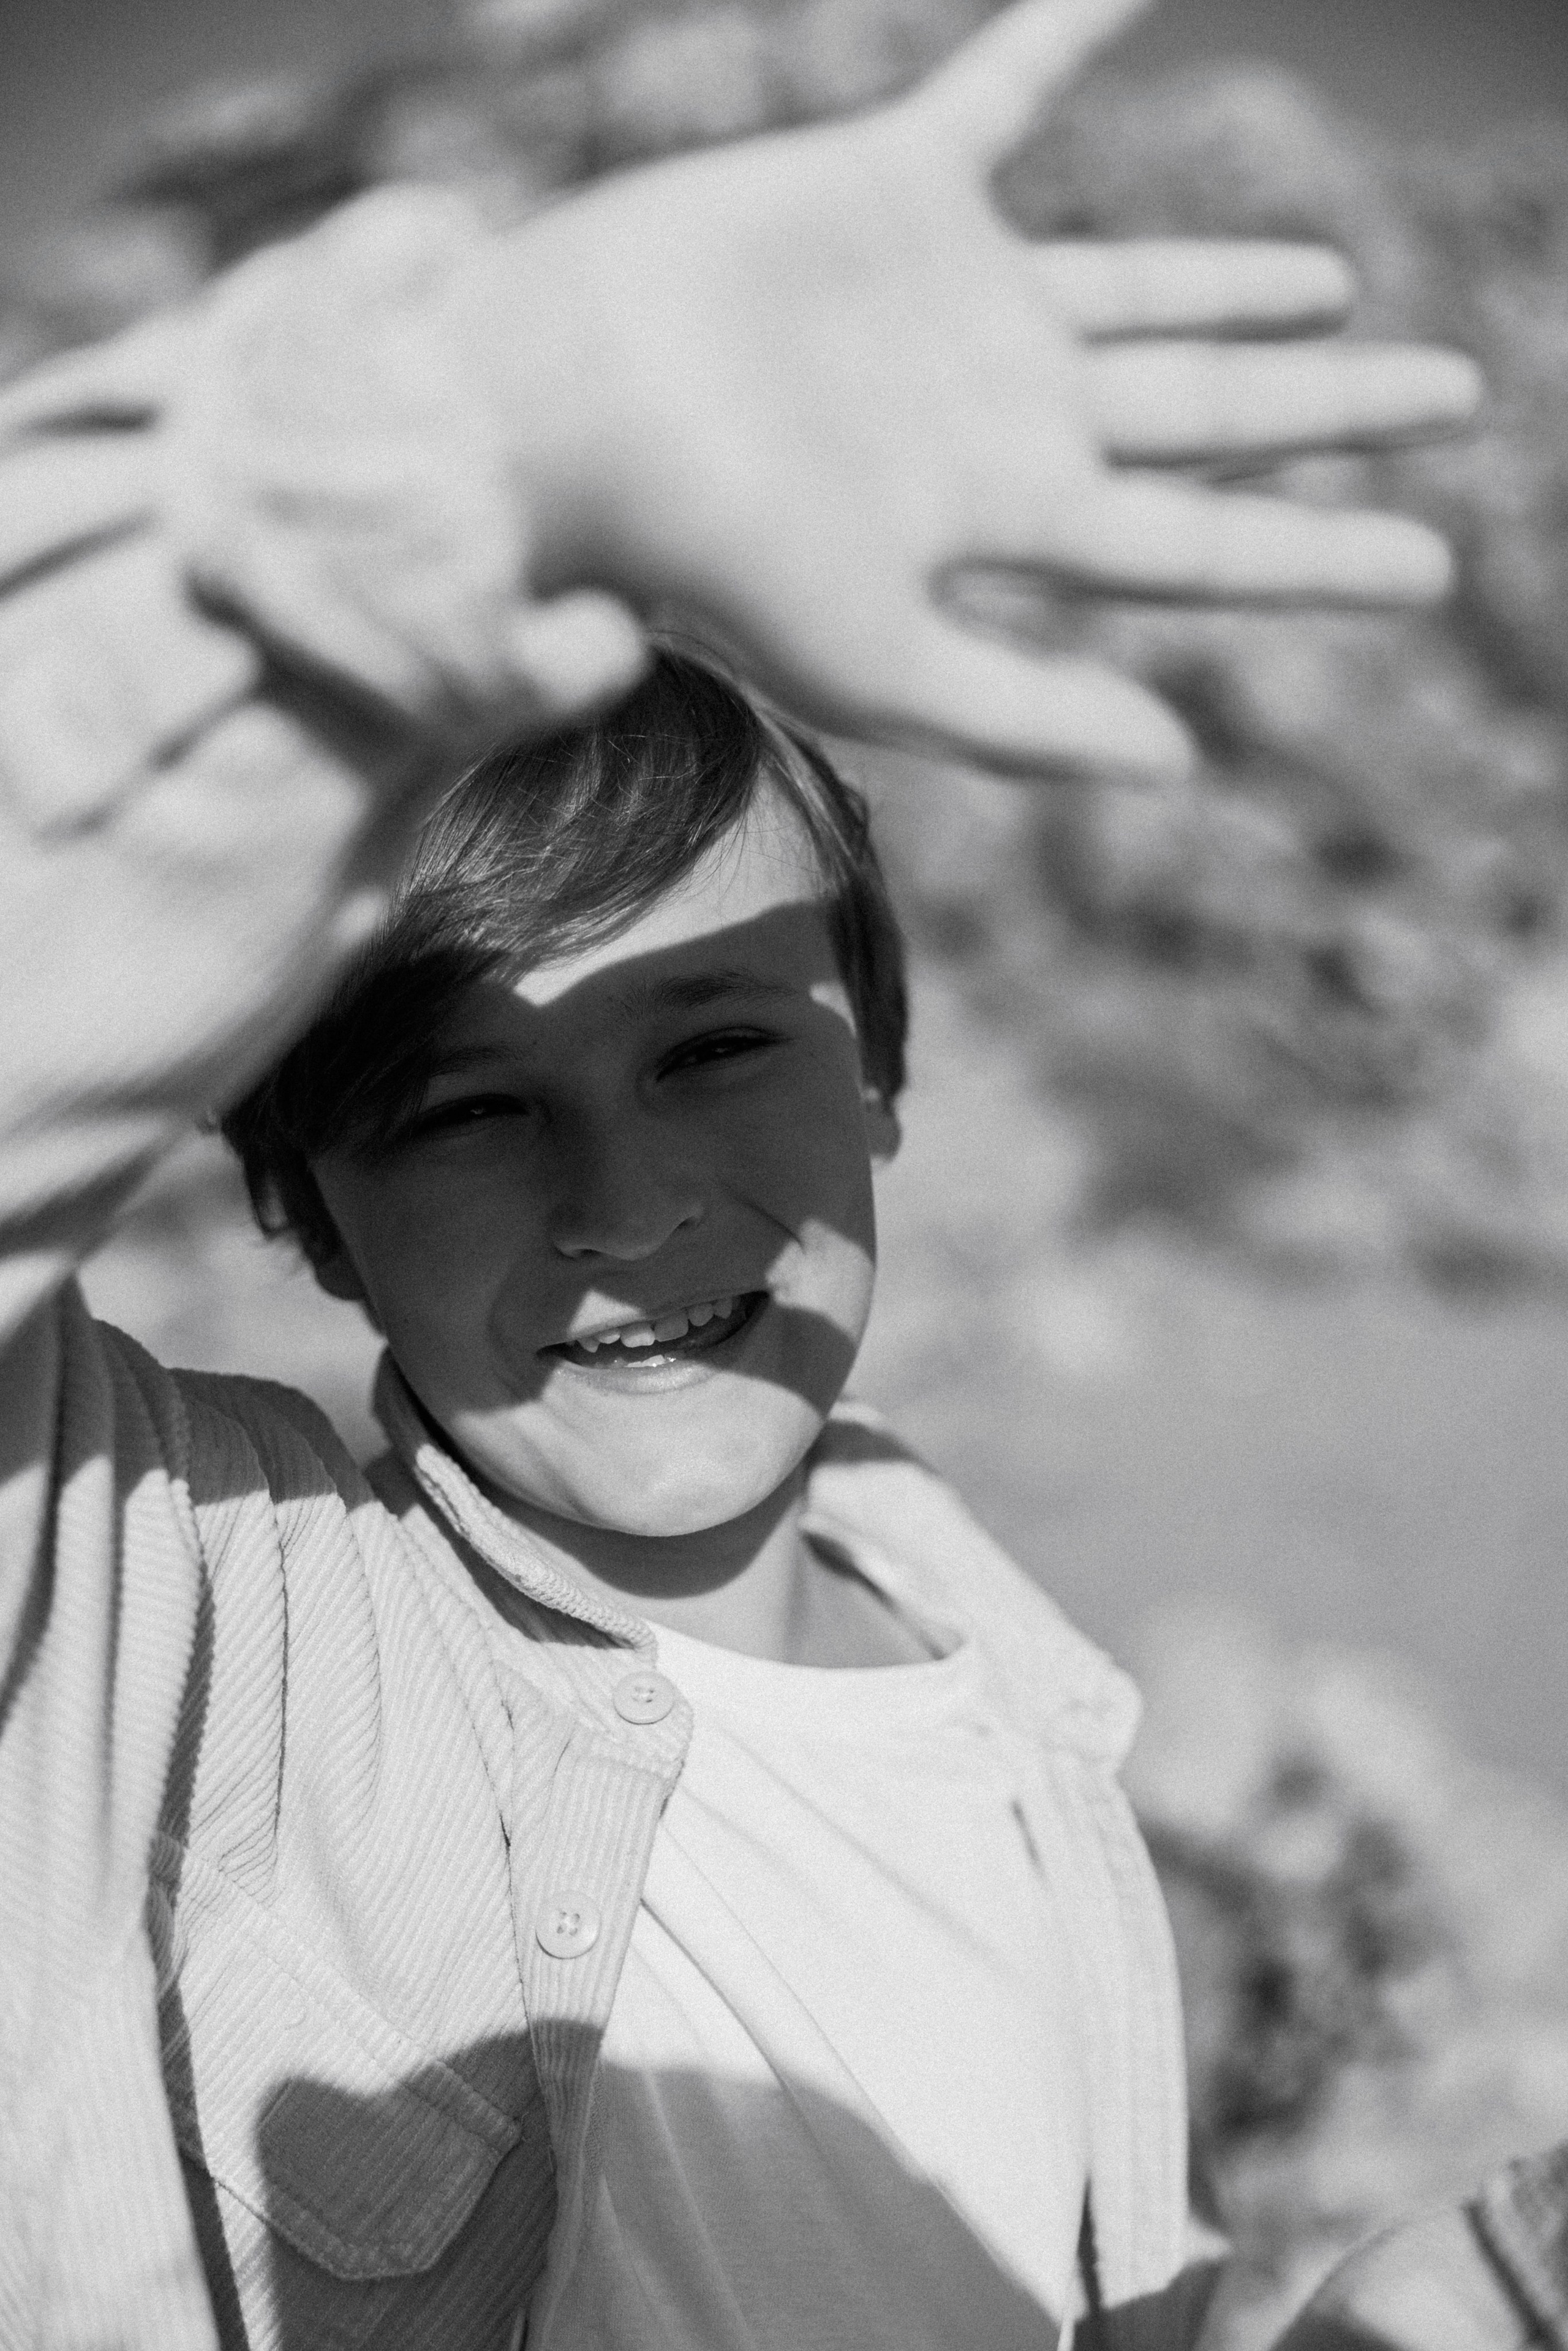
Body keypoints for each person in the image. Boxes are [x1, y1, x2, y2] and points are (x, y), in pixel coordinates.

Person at [0, 0, 1484, 2342]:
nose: (625, 1202)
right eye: (469, 1108)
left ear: (886, 1066)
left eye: (714, 1044)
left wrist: (1441, 2303)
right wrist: (438, 487)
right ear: (302, 1208)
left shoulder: (1022, 1707)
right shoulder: (192, 1633)